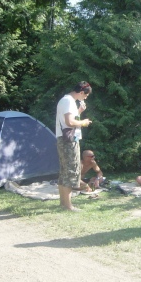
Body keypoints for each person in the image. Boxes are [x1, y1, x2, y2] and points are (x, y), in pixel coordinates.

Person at [56, 81, 92, 211]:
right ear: (81, 92)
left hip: (66, 140)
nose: (85, 98)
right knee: (70, 172)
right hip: (69, 141)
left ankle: (63, 203)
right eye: (85, 95)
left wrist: (79, 111)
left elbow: (69, 118)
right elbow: (69, 122)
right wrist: (83, 122)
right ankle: (68, 205)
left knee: (65, 171)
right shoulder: (68, 101)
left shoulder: (67, 101)